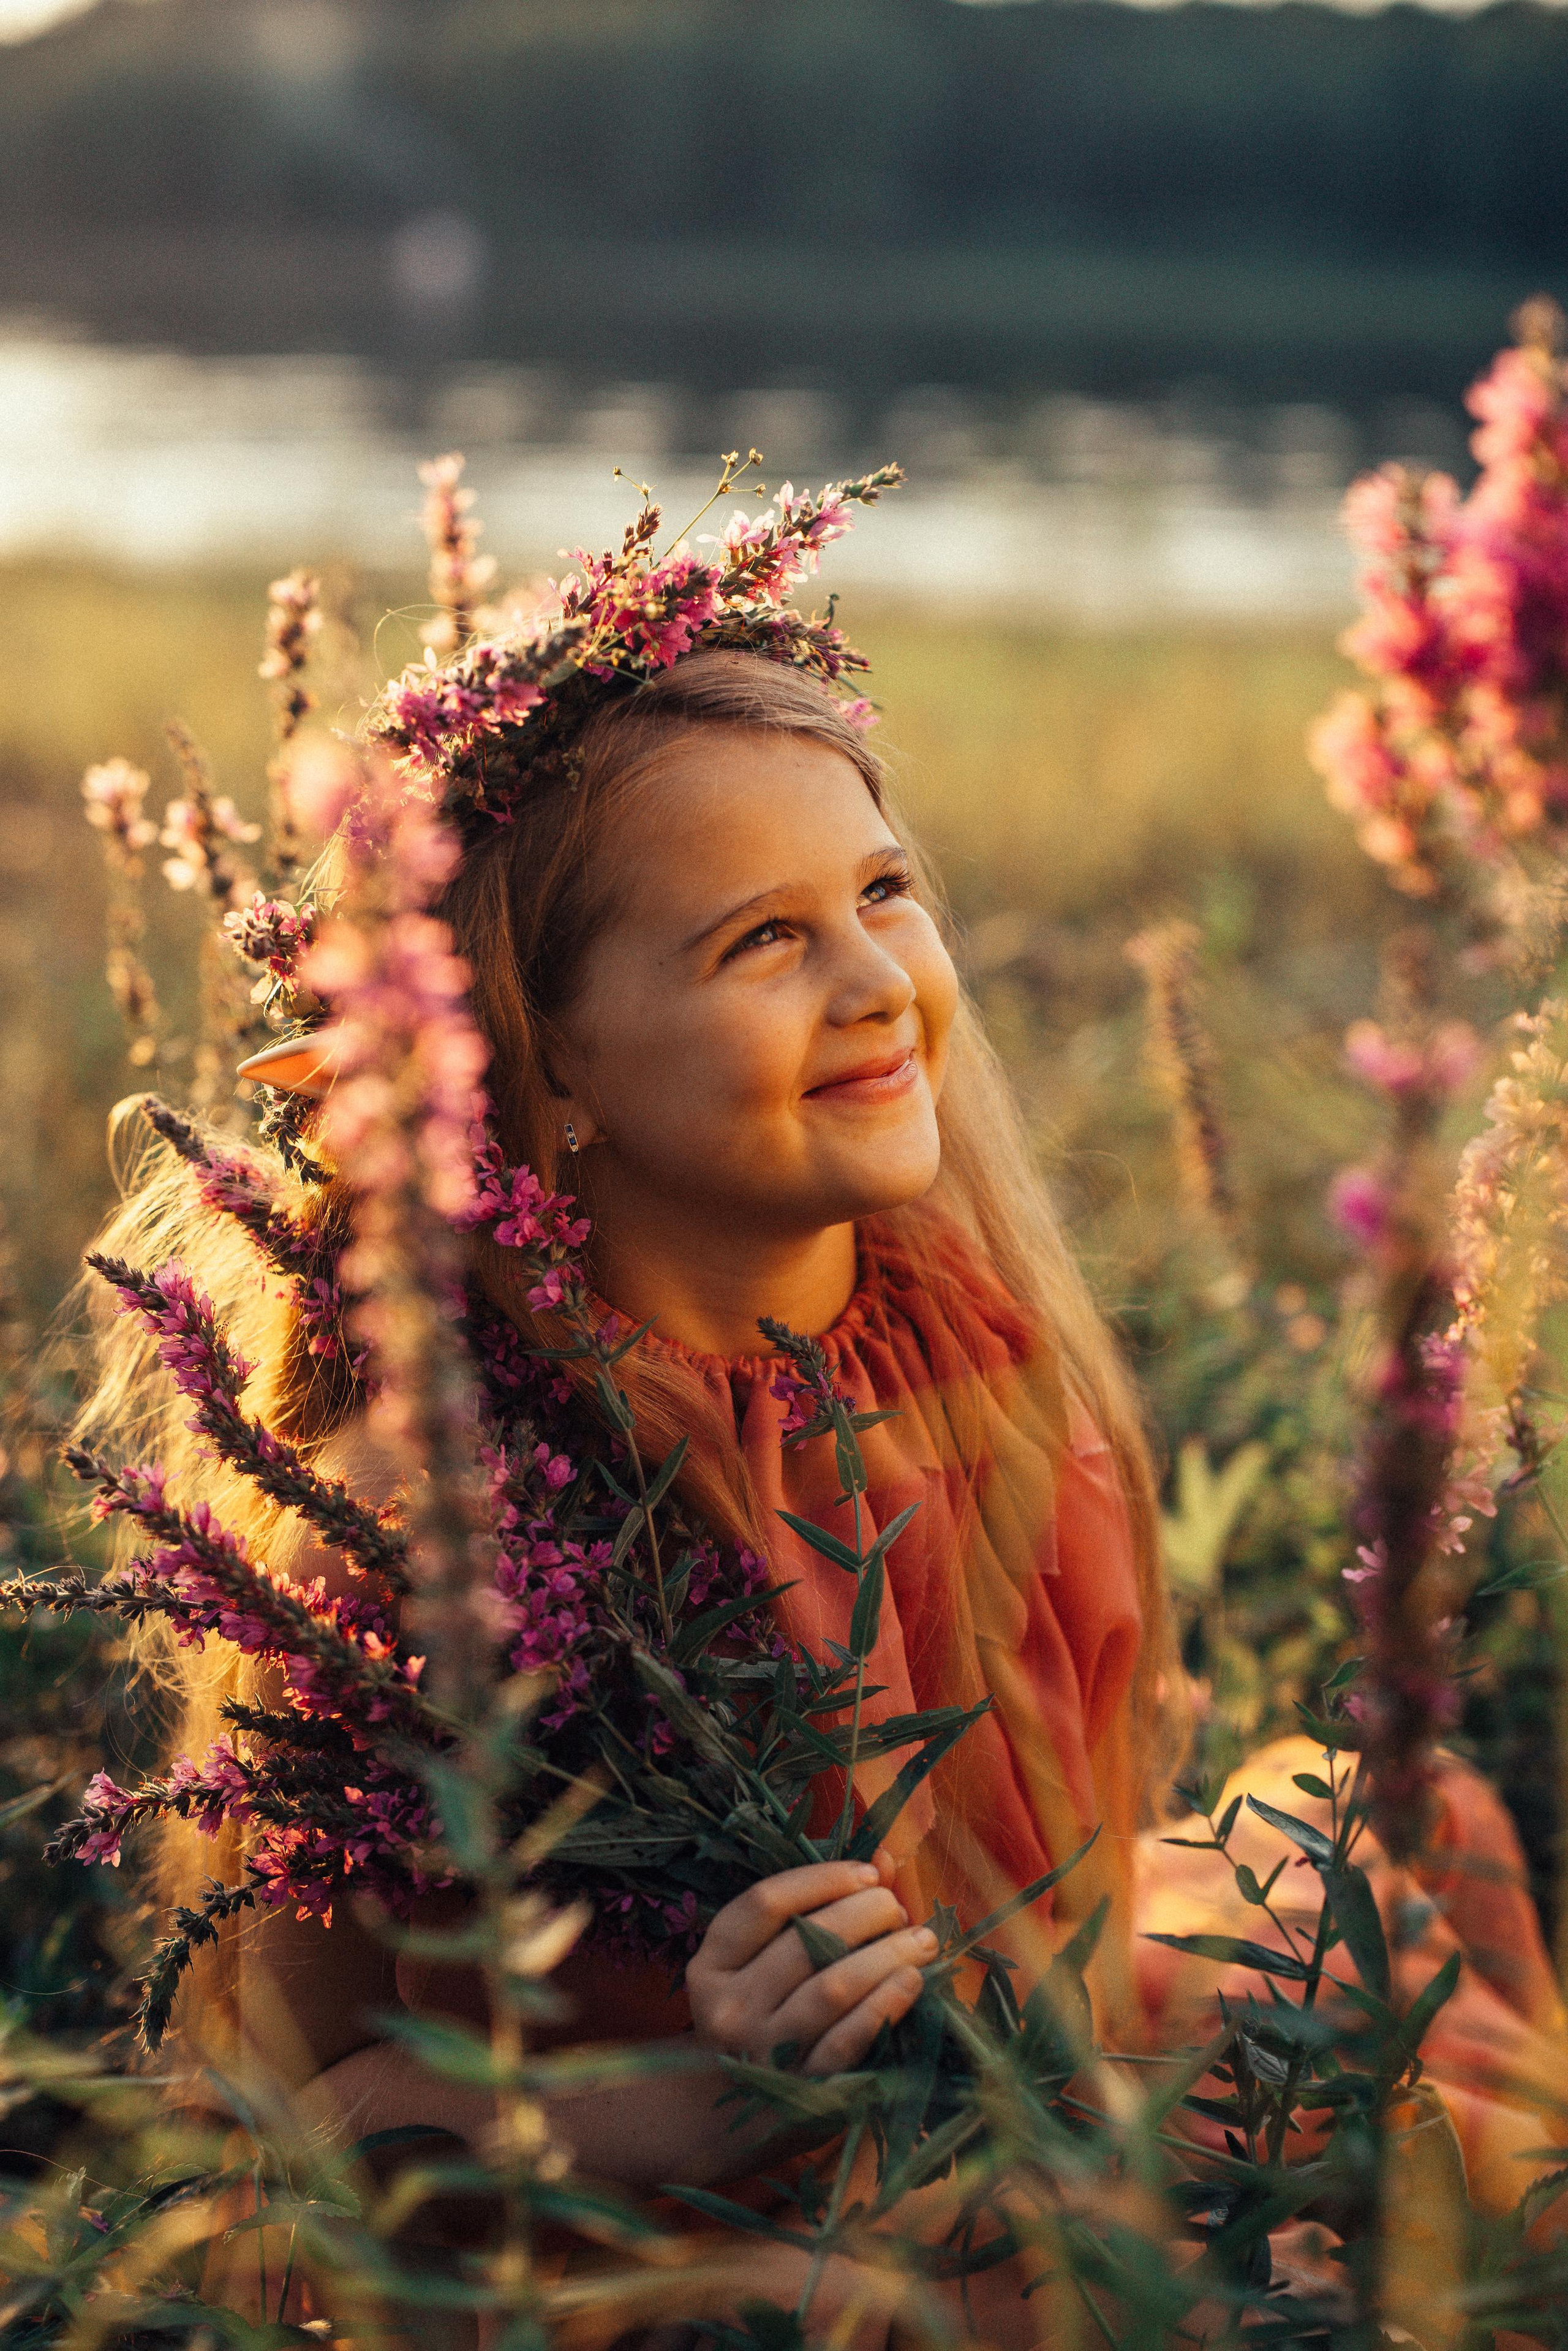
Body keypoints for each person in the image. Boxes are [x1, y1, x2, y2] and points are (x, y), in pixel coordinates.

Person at [70, 517, 1568, 2342]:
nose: (877, 985)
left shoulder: (981, 1370)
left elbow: (1063, 1914)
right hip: (698, 2239)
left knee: (1401, 1973)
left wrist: (1061, 1999)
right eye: (761, 938)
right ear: (546, 1065)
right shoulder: (443, 1535)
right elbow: (326, 2119)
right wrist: (730, 2074)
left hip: (1037, 2097)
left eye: (880, 891)